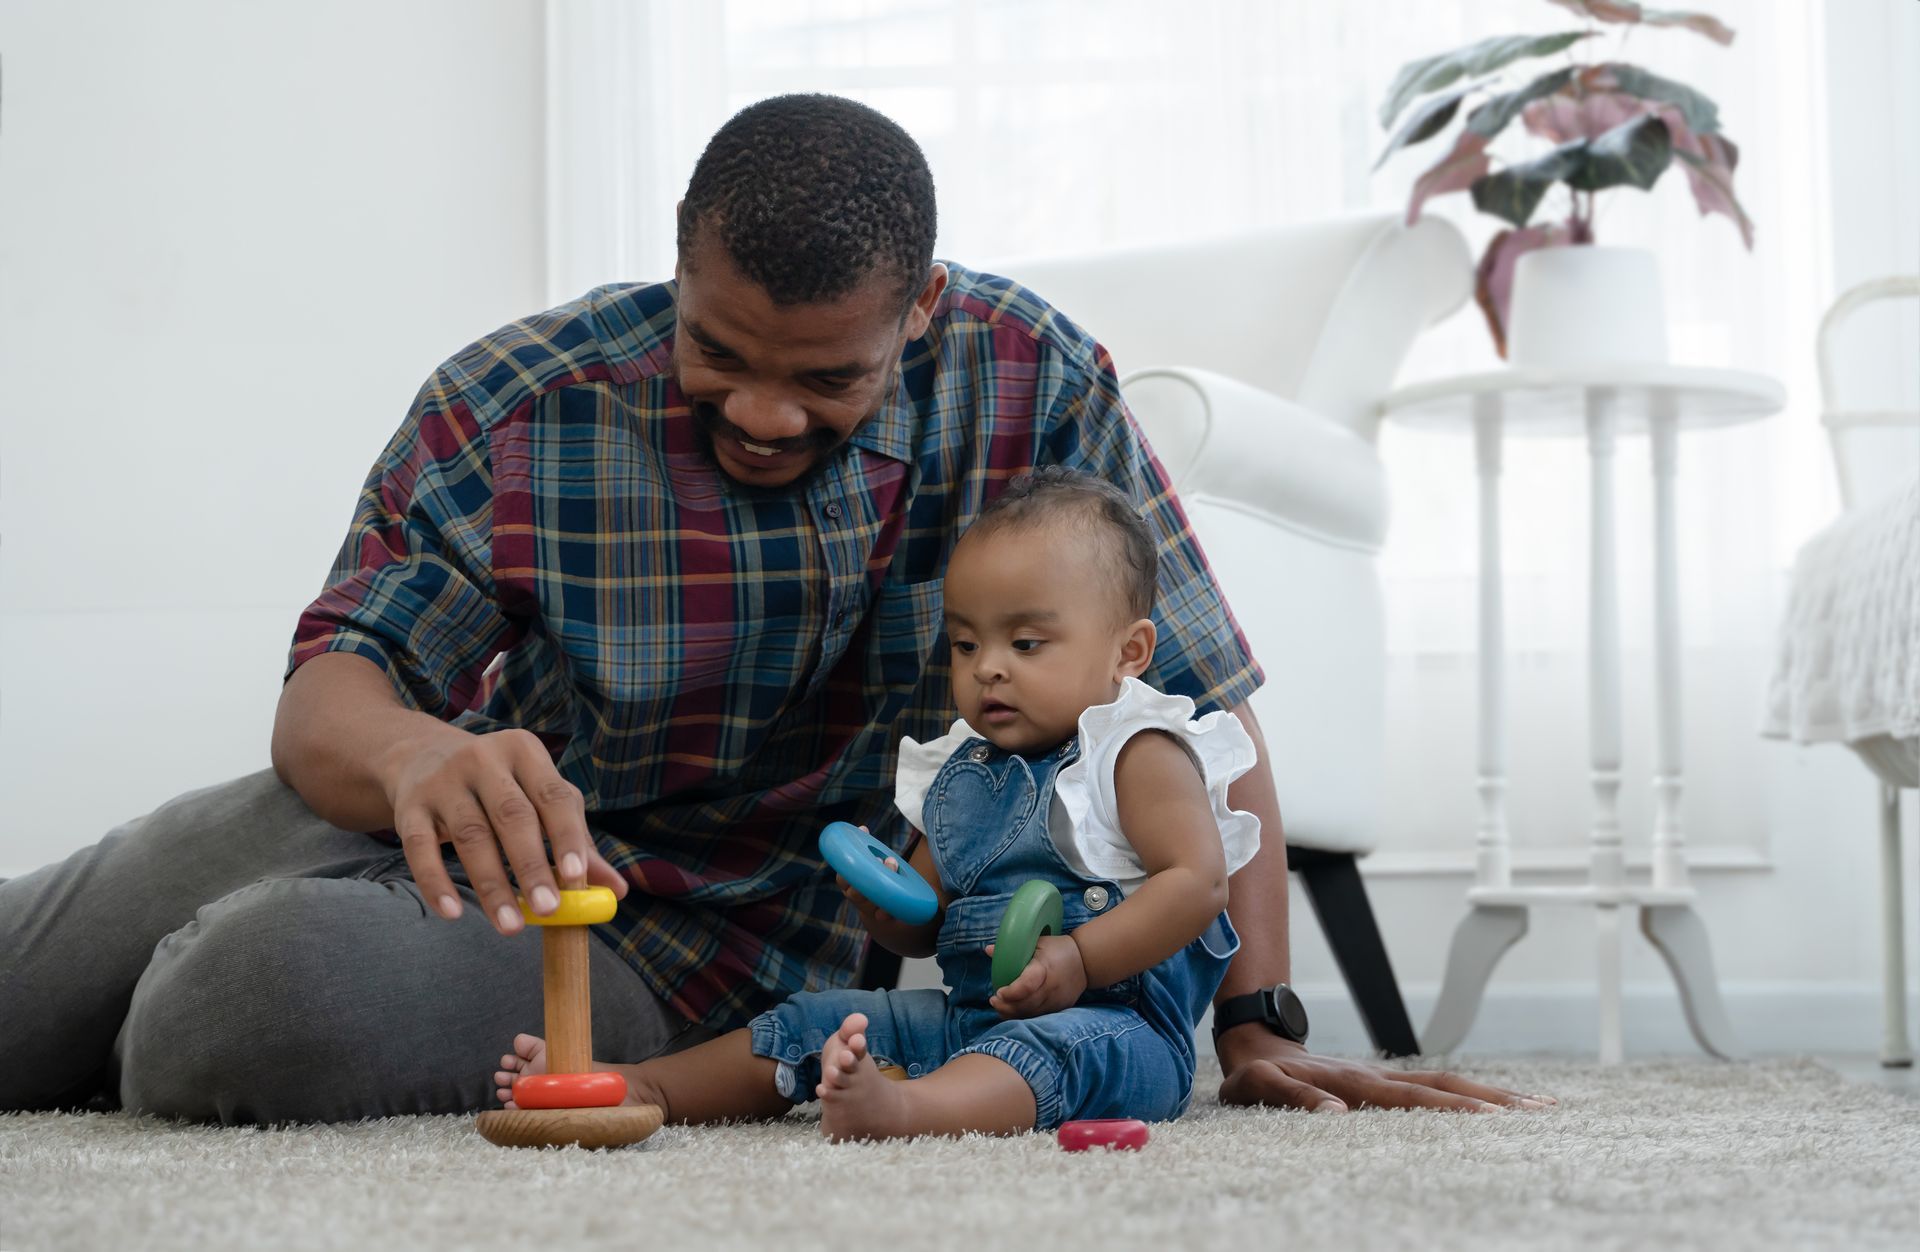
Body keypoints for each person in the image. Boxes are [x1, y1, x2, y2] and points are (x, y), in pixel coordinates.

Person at [0, 93, 1545, 1123]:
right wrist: (413, 760)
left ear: (921, 313)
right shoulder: (520, 400)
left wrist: (1258, 1026)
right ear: (675, 266)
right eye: (718, 350)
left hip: (680, 955)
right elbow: (334, 688)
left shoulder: (1031, 380)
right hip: (457, 812)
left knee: (229, 1013)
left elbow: (1199, 713)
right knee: (59, 969)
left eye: (826, 377)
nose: (760, 409)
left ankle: (201, 975)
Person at [496, 467, 1265, 1138]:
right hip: (970, 1019)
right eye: (966, 645)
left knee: (1045, 1051)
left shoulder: (1137, 753)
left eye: (1025, 645)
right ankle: (648, 1085)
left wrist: (1080, 956)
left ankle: (913, 1113)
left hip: (1114, 1029)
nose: (988, 670)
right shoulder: (962, 773)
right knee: (820, 1017)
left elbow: (1196, 883)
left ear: (1127, 652)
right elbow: (923, 927)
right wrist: (882, 906)